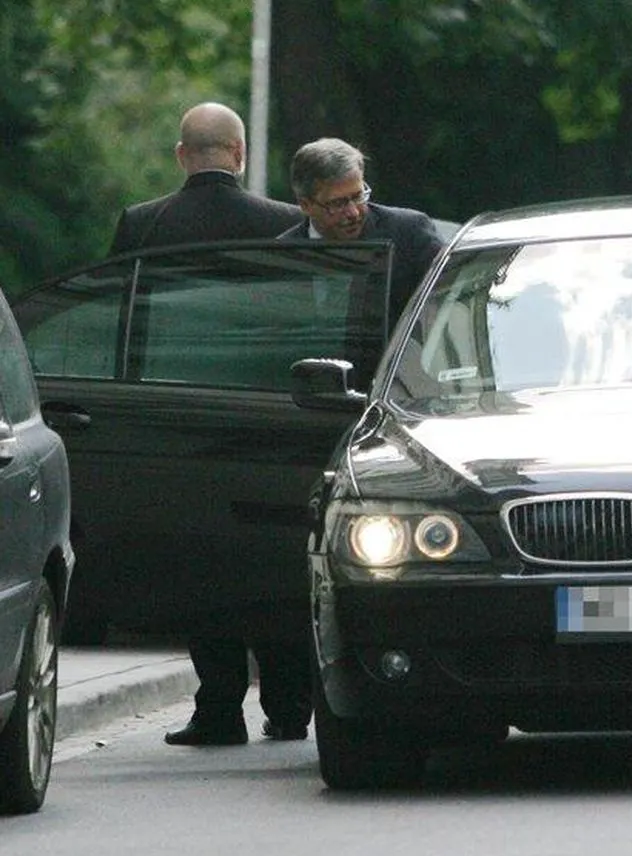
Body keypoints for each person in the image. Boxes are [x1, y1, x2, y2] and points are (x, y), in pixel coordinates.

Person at [108, 102, 312, 748]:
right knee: (275, 560)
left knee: (203, 562)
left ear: (180, 156)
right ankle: (288, 704)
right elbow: (310, 320)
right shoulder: (285, 224)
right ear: (240, 153)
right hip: (273, 422)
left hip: (180, 424)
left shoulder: (143, 226)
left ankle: (220, 708)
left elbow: (118, 320)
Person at [278, 137, 444, 320]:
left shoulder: (409, 234)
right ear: (305, 205)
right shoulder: (282, 256)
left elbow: (449, 302)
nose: (353, 212)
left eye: (358, 196)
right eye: (338, 203)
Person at [109, 101, 303, 255]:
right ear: (239, 153)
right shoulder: (289, 222)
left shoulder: (138, 223)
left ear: (181, 154)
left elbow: (112, 293)